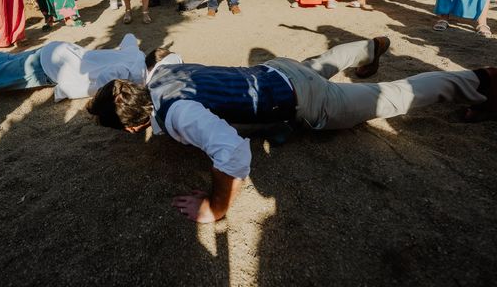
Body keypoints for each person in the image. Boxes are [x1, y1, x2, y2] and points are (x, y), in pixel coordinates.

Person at [87, 37, 497, 223]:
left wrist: (216, 205)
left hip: (302, 100)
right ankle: (366, 48)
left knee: (390, 96)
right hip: (275, 70)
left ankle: (479, 81)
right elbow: (166, 55)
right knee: (319, 63)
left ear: (133, 126)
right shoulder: (161, 73)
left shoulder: (177, 116)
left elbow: (233, 153)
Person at [0, 33, 148, 100]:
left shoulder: (135, 55)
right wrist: (71, 91)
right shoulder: (134, 74)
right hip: (50, 68)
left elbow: (128, 36)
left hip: (58, 50)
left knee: (4, 61)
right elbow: (105, 80)